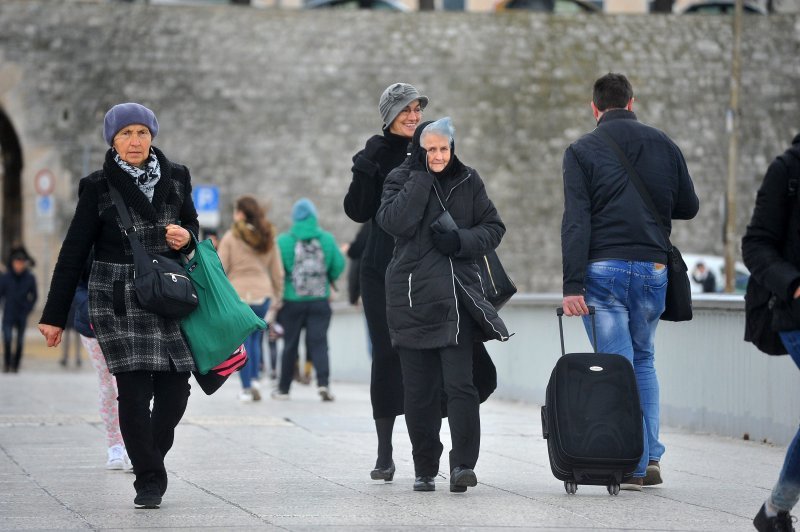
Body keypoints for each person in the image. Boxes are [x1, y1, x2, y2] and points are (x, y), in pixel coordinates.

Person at [38, 102, 199, 509]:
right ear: (112, 140)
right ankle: (148, 479)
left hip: (166, 293)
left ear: (152, 137)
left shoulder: (177, 177)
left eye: (141, 133)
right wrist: (54, 316)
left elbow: (193, 226)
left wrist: (187, 236)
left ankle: (150, 461)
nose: (134, 141)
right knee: (132, 390)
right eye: (125, 134)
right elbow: (74, 252)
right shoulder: (97, 185)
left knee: (176, 390)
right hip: (118, 298)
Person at [560, 73, 699, 491]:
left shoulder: (581, 150)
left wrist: (571, 285)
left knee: (616, 365)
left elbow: (576, 220)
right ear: (632, 103)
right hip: (653, 270)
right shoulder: (665, 144)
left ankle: (636, 463)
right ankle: (651, 455)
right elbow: (688, 206)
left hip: (603, 272)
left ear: (594, 107)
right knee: (643, 360)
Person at [376, 117, 509, 493]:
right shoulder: (400, 179)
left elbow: (494, 227)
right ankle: (424, 467)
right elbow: (394, 222)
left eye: (443, 148)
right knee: (419, 391)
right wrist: (420, 176)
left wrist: (462, 241)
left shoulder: (469, 180)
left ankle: (463, 465)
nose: (437, 156)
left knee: (461, 386)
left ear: (453, 147)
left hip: (457, 298)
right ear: (419, 149)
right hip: (412, 299)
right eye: (430, 149)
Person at [344, 82, 428, 481]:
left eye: (416, 109)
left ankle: (425, 450)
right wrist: (364, 166)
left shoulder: (434, 148)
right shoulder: (375, 154)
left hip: (423, 270)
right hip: (379, 270)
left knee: (422, 356)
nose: (413, 115)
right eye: (404, 109)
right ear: (388, 115)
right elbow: (357, 211)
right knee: (386, 354)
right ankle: (384, 452)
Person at [741, 132, 800, 531]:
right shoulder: (788, 170)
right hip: (796, 314)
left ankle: (776, 509)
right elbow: (755, 244)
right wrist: (794, 284)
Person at [272, 198, 345, 401]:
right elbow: (339, 264)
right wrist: (328, 278)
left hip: (292, 301)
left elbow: (277, 271)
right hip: (320, 300)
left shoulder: (283, 241)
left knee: (289, 344)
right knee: (319, 343)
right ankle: (323, 384)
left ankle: (284, 389)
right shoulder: (328, 240)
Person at [217, 194, 284, 402]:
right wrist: (277, 295)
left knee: (242, 341)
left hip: (239, 295)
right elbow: (277, 271)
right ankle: (254, 379)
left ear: (241, 213)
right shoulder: (267, 236)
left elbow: (219, 267)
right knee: (256, 338)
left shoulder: (231, 237)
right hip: (262, 294)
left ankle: (246, 387)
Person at [73, 253, 130, 469]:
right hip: (92, 327)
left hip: (128, 323)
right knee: (109, 385)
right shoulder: (88, 243)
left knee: (130, 385)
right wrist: (92, 308)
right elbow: (73, 284)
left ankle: (135, 446)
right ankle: (115, 445)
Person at [0, 248, 38, 373]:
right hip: (8, 314)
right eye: (17, 262)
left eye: (21, 263)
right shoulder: (5, 277)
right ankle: (6, 364)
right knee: (7, 338)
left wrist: (28, 308)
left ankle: (15, 365)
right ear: (12, 263)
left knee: (20, 341)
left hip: (22, 314)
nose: (19, 265)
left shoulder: (30, 278)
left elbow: (34, 296)